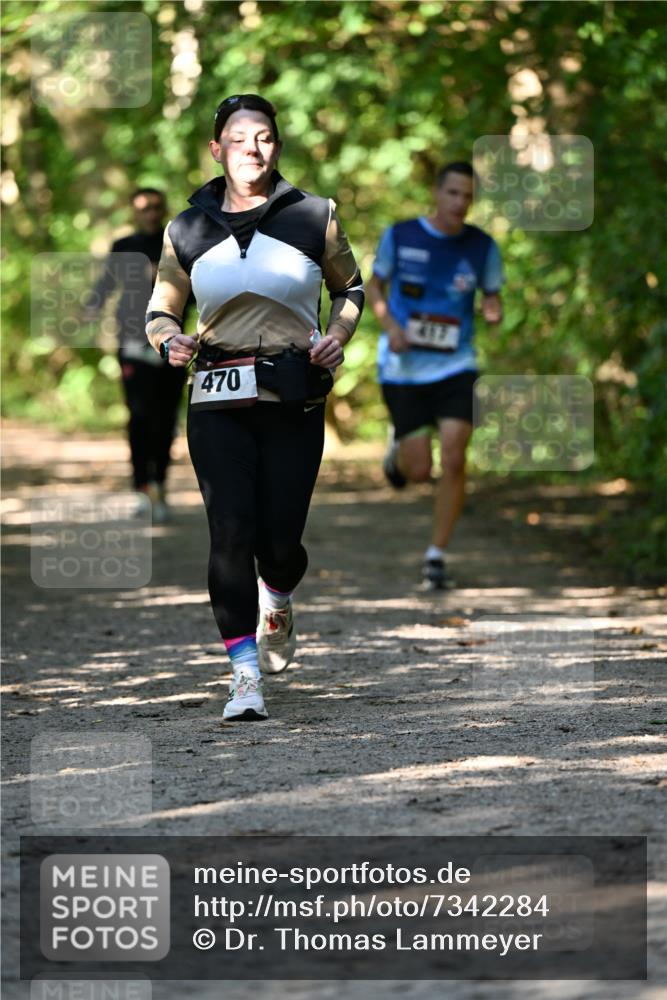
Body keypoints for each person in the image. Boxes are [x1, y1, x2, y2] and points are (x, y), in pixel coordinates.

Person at [145, 94, 364, 721]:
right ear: (218, 150)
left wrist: (337, 336)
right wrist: (169, 339)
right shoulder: (185, 228)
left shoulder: (314, 215)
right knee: (230, 534)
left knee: (281, 542)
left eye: (264, 137)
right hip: (216, 395)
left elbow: (349, 288)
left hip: (292, 395)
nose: (252, 149)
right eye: (238, 139)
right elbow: (162, 307)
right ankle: (243, 676)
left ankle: (280, 594)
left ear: (278, 146)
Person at [367, 161, 503, 590]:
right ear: (437, 193)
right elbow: (374, 286)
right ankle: (398, 449)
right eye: (453, 194)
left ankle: (436, 556)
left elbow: (493, 296)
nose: (460, 203)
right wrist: (391, 327)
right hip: (403, 369)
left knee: (456, 455)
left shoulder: (482, 246)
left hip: (455, 365)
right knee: (420, 471)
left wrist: (493, 311)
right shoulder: (401, 234)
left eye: (468, 196)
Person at [84, 188, 189, 521]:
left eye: (156, 207)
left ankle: (159, 484)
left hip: (172, 344)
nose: (150, 213)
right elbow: (104, 286)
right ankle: (141, 488)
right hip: (131, 343)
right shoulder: (123, 247)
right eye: (143, 208)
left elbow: (199, 292)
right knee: (139, 417)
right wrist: (88, 309)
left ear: (163, 209)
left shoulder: (179, 245)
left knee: (166, 419)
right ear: (134, 212)